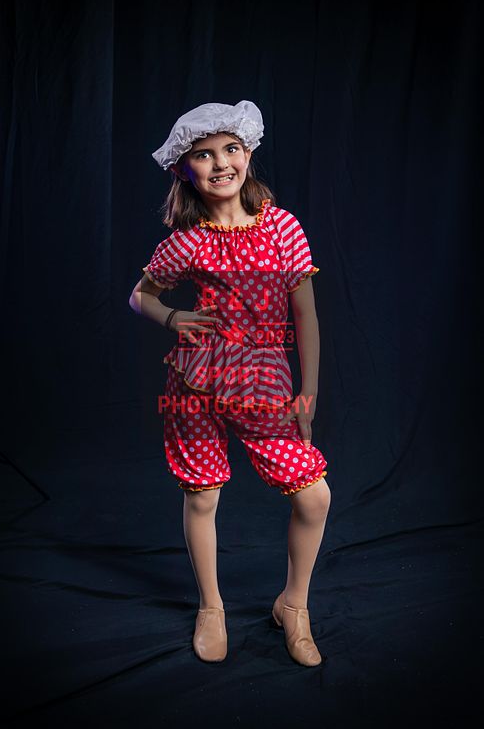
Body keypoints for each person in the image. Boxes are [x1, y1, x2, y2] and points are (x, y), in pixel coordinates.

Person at [129, 100, 331, 667]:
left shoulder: (282, 228)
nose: (220, 163)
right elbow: (140, 295)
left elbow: (305, 315)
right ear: (185, 169)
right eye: (204, 155)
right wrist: (173, 316)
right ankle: (211, 607)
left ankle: (294, 605)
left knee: (314, 495)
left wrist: (308, 392)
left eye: (230, 149)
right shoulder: (188, 241)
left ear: (247, 154)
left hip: (265, 385)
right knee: (202, 495)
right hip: (196, 382)